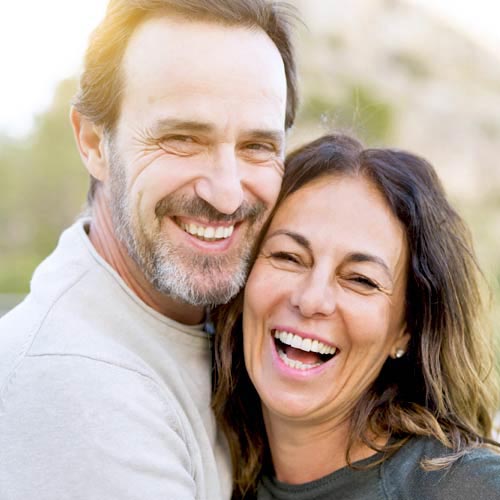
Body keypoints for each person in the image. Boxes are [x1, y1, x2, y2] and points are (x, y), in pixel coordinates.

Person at [0, 1, 298, 498]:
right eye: (183, 139)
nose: (227, 194)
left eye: (257, 147)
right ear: (93, 142)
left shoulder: (227, 327)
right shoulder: (76, 390)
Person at [214, 134, 500, 499]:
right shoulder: (204, 464)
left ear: (407, 328)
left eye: (361, 280)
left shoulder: (465, 487)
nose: (311, 299)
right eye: (288, 257)